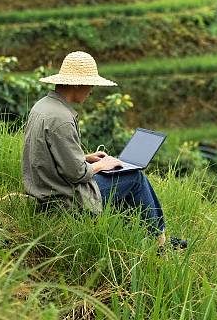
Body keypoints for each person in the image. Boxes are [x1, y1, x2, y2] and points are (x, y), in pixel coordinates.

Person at [22, 51, 187, 249]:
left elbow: (47, 155)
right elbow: (77, 174)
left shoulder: (43, 107)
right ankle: (159, 243)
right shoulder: (62, 119)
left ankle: (149, 236)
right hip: (63, 200)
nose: (91, 90)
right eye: (90, 85)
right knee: (134, 177)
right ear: (76, 84)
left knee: (126, 178)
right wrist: (101, 165)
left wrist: (86, 157)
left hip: (46, 190)